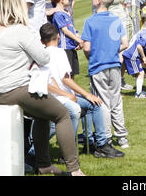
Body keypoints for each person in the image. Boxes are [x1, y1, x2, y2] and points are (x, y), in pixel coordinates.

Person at [0, 0, 85, 175]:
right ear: (19, 7)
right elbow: (44, 58)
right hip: (14, 89)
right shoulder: (20, 31)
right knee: (62, 114)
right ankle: (75, 169)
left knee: (42, 115)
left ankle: (44, 165)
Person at [38, 23, 125, 157]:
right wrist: (86, 94)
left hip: (49, 97)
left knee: (91, 105)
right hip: (62, 98)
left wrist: (82, 94)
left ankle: (89, 142)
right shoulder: (60, 52)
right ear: (58, 37)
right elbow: (66, 79)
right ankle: (99, 145)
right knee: (94, 105)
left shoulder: (40, 54)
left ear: (41, 40)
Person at [82, 0, 130, 148]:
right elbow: (125, 43)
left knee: (102, 103)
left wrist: (93, 56)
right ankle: (122, 137)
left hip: (98, 66)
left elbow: (87, 48)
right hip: (115, 65)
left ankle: (107, 137)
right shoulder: (116, 20)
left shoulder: (90, 21)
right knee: (116, 101)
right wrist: (112, 51)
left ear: (98, 1)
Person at [99, 0, 134, 90]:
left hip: (125, 24)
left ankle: (120, 80)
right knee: (118, 55)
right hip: (115, 27)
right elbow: (102, 8)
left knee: (124, 55)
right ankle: (114, 83)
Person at [122, 17, 146, 99]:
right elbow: (139, 46)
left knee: (138, 73)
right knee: (141, 73)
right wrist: (143, 57)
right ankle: (138, 94)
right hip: (132, 55)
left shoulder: (140, 31)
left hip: (127, 53)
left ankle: (138, 91)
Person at [51, 0, 83, 78]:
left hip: (71, 46)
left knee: (73, 73)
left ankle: (72, 92)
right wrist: (78, 40)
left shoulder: (66, 13)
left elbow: (71, 28)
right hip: (65, 48)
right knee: (66, 75)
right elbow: (65, 31)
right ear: (62, 0)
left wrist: (78, 38)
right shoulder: (58, 14)